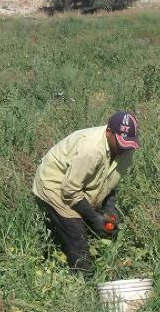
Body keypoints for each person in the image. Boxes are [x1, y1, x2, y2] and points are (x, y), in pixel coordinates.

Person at [32, 111, 141, 275]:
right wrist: (94, 217)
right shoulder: (91, 149)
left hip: (78, 182)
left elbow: (110, 180)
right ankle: (83, 282)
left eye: (128, 145)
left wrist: (109, 210)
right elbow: (70, 190)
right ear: (108, 132)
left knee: (108, 228)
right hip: (55, 182)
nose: (124, 149)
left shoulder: (127, 148)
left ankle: (107, 264)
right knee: (77, 234)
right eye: (121, 144)